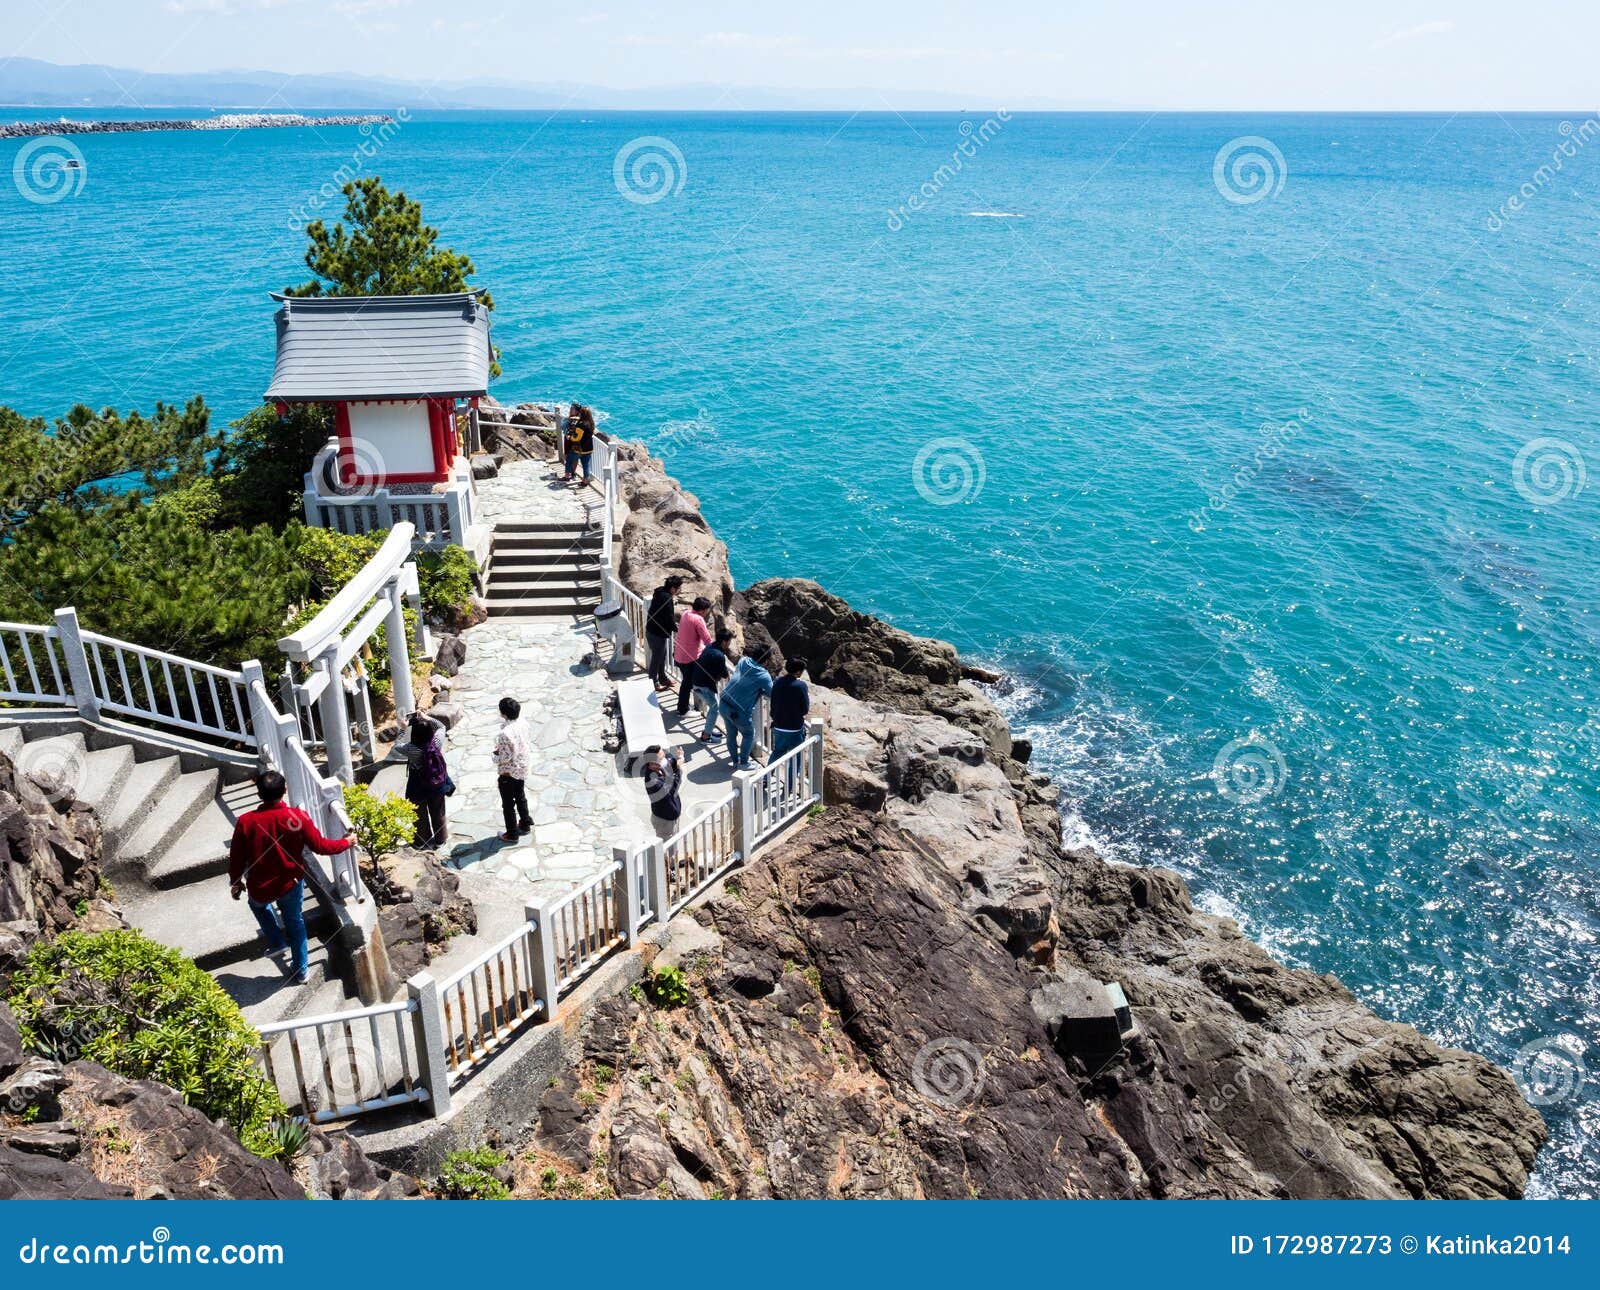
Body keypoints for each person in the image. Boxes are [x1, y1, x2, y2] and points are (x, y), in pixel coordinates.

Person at [228, 770, 353, 985]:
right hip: (291, 884)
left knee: (258, 906)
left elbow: (237, 857)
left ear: (259, 794)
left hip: (260, 886)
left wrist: (236, 881)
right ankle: (300, 970)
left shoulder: (246, 822)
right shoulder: (297, 817)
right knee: (295, 924)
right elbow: (322, 847)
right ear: (285, 790)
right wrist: (347, 842)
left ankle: (277, 942)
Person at [718, 647, 774, 771]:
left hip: (723, 702)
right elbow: (772, 694)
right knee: (749, 734)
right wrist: (760, 690)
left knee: (731, 733)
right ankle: (743, 763)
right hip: (738, 711)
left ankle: (734, 761)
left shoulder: (744, 661)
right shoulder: (764, 675)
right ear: (766, 661)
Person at [404, 711, 450, 850]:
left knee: (419, 813)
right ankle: (440, 840)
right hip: (436, 783)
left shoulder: (410, 749)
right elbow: (441, 727)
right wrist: (426, 717)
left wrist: (404, 728)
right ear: (430, 732)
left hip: (417, 785)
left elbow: (397, 745)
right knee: (438, 811)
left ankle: (421, 841)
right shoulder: (436, 742)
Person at [494, 696, 533, 843]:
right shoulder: (523, 722)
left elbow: (504, 757)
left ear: (503, 713)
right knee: (521, 797)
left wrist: (494, 756)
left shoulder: (505, 734)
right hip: (522, 767)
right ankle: (525, 823)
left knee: (508, 804)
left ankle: (512, 834)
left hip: (508, 772)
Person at [692, 628, 735, 743]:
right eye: (729, 641)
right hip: (703, 686)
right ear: (724, 642)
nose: (730, 644)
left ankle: (708, 730)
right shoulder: (719, 655)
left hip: (697, 681)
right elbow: (724, 674)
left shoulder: (710, 646)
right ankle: (705, 737)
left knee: (714, 707)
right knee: (715, 708)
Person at [673, 595, 714, 716]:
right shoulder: (698, 619)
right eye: (707, 610)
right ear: (702, 610)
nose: (707, 613)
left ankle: (684, 706)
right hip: (689, 658)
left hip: (679, 655)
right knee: (687, 684)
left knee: (686, 682)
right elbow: (707, 639)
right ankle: (683, 710)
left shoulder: (686, 613)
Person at [769, 656, 811, 765]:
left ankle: (766, 779)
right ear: (798, 672)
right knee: (796, 758)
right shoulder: (801, 686)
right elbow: (805, 709)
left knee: (777, 752)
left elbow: (773, 703)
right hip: (794, 729)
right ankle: (791, 782)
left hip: (778, 726)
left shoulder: (777, 682)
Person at [645, 575, 683, 690]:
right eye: (679, 588)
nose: (680, 590)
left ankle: (662, 678)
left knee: (662, 656)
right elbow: (670, 619)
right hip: (657, 634)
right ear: (673, 589)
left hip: (651, 631)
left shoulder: (660, 592)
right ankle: (653, 682)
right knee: (657, 658)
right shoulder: (667, 599)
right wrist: (680, 631)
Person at [641, 745, 683, 841]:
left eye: (663, 756)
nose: (664, 760)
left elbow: (671, 762)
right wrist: (679, 770)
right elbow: (672, 788)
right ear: (651, 764)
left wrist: (679, 758)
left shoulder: (659, 767)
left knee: (674, 842)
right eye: (661, 759)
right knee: (667, 850)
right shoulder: (652, 782)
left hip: (671, 815)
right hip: (664, 822)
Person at [562, 403, 596, 484]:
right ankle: (585, 481)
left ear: (582, 414)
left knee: (569, 460)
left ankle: (567, 476)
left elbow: (577, 437)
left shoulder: (581, 425)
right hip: (588, 449)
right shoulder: (591, 424)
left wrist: (569, 437)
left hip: (579, 449)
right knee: (585, 466)